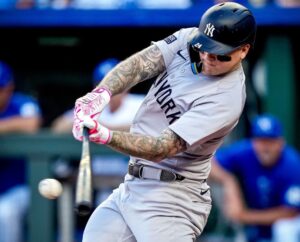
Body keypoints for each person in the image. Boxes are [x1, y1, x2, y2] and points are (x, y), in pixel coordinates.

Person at [72, 2, 257, 241]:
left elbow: (163, 148)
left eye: (220, 53)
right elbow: (142, 64)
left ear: (243, 50)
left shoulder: (226, 99)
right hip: (133, 186)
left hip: (171, 200)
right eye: (204, 48)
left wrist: (106, 135)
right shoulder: (190, 37)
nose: (208, 57)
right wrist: (101, 94)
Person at [210, 114, 300, 242]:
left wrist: (244, 216)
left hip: (288, 225)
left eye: (270, 141)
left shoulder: (292, 164)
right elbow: (210, 164)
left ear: (280, 143)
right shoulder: (245, 151)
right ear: (253, 142)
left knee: (284, 229)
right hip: (253, 223)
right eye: (261, 141)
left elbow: (290, 212)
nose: (265, 147)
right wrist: (229, 182)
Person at [0, 61, 42, 242]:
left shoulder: (22, 103)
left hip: (19, 187)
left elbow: (32, 123)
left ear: (9, 87)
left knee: (4, 213)